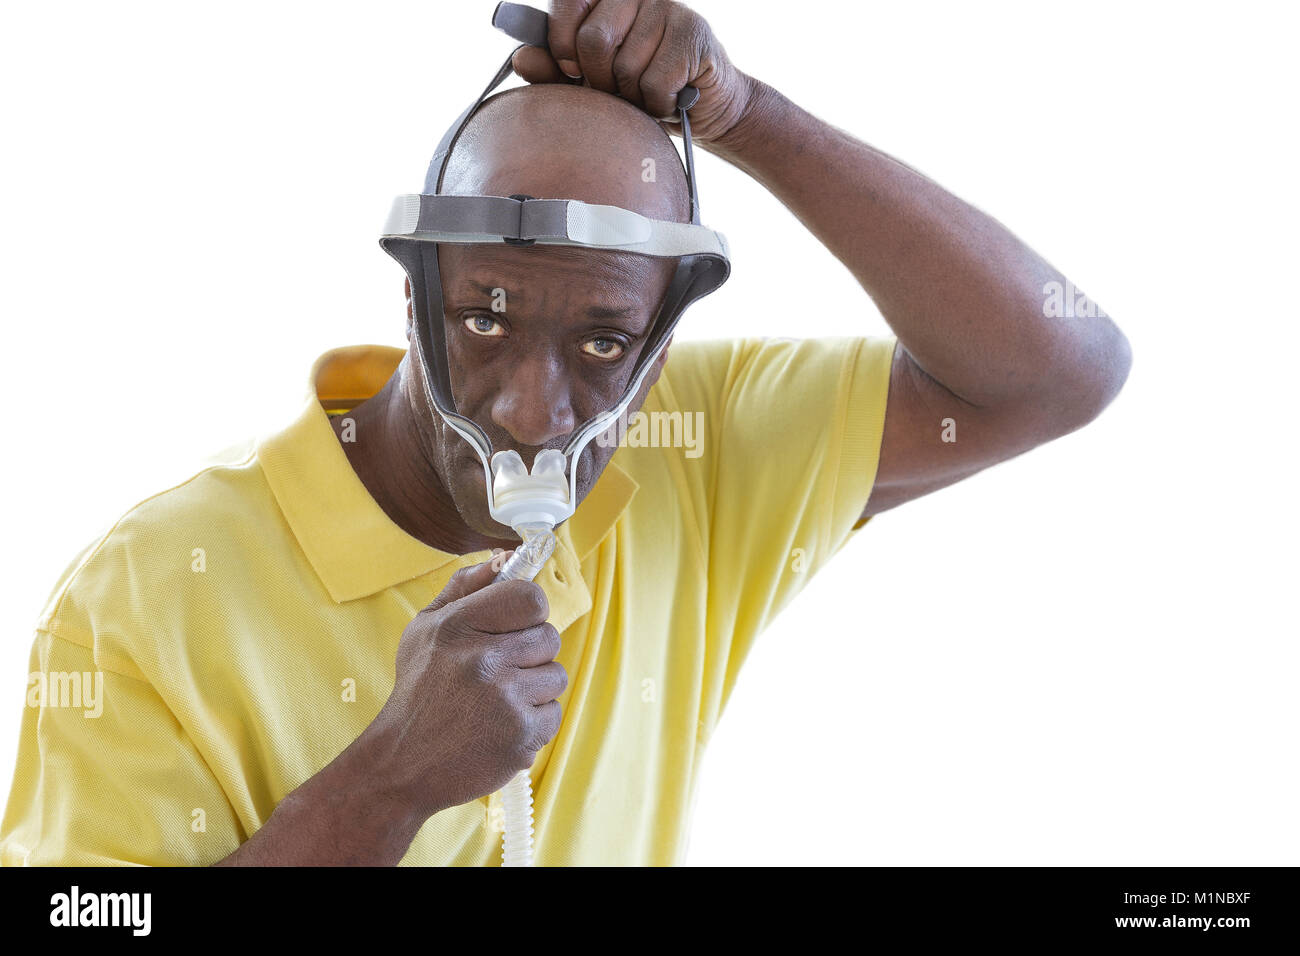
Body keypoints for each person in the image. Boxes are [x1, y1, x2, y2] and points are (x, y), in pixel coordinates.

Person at [0, 1, 1130, 866]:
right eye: (484, 317)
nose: (536, 413)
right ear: (412, 299)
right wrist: (384, 783)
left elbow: (1057, 371)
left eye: (602, 343)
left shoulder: (700, 447)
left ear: (662, 340)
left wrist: (748, 117)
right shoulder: (144, 594)